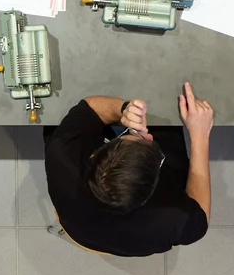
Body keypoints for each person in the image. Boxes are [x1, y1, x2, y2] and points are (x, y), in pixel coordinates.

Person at [44, 83, 213, 256]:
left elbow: (90, 107)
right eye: (141, 137)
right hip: (108, 233)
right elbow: (201, 212)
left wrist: (124, 110)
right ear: (152, 189)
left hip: (82, 230)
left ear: (94, 156)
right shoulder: (173, 220)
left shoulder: (62, 153)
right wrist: (200, 135)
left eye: (131, 136)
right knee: (166, 129)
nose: (147, 134)